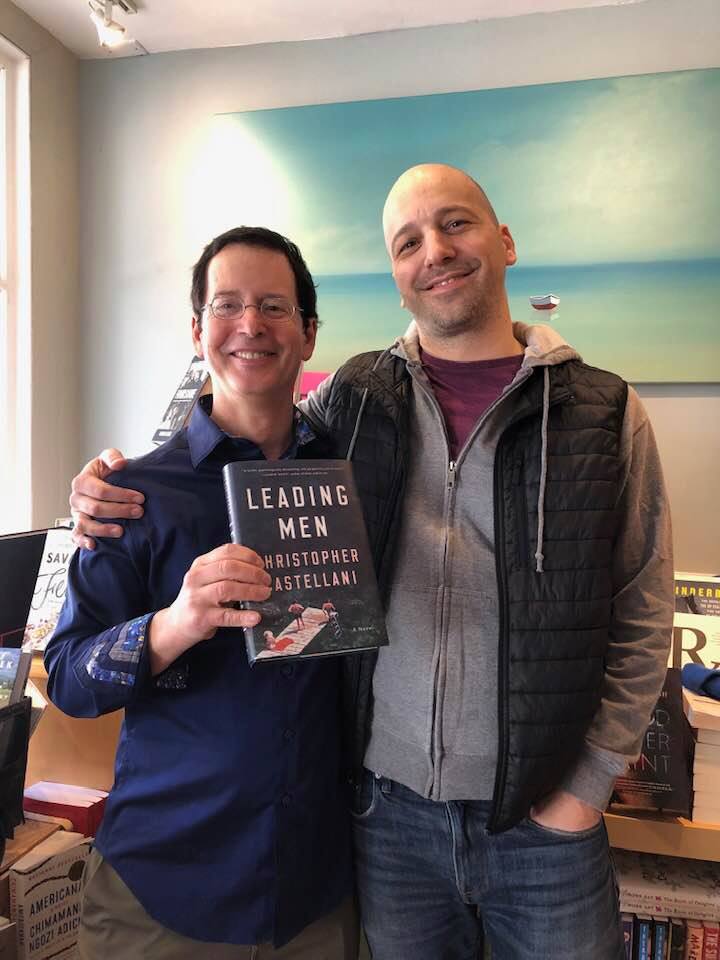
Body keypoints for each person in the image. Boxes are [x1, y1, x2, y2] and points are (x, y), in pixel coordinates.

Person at [69, 164, 674, 959]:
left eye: (455, 224)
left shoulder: (594, 411)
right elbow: (244, 413)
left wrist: (586, 787)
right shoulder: (343, 409)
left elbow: (643, 611)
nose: (436, 252)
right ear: (395, 275)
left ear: (504, 241)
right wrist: (106, 498)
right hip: (361, 832)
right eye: (408, 241)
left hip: (520, 831)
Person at [46, 227, 358, 960]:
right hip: (160, 894)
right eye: (227, 306)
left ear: (309, 334)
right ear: (197, 331)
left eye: (275, 307)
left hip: (317, 896)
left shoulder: (353, 479)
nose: (251, 325)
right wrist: (173, 624)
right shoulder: (130, 496)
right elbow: (68, 680)